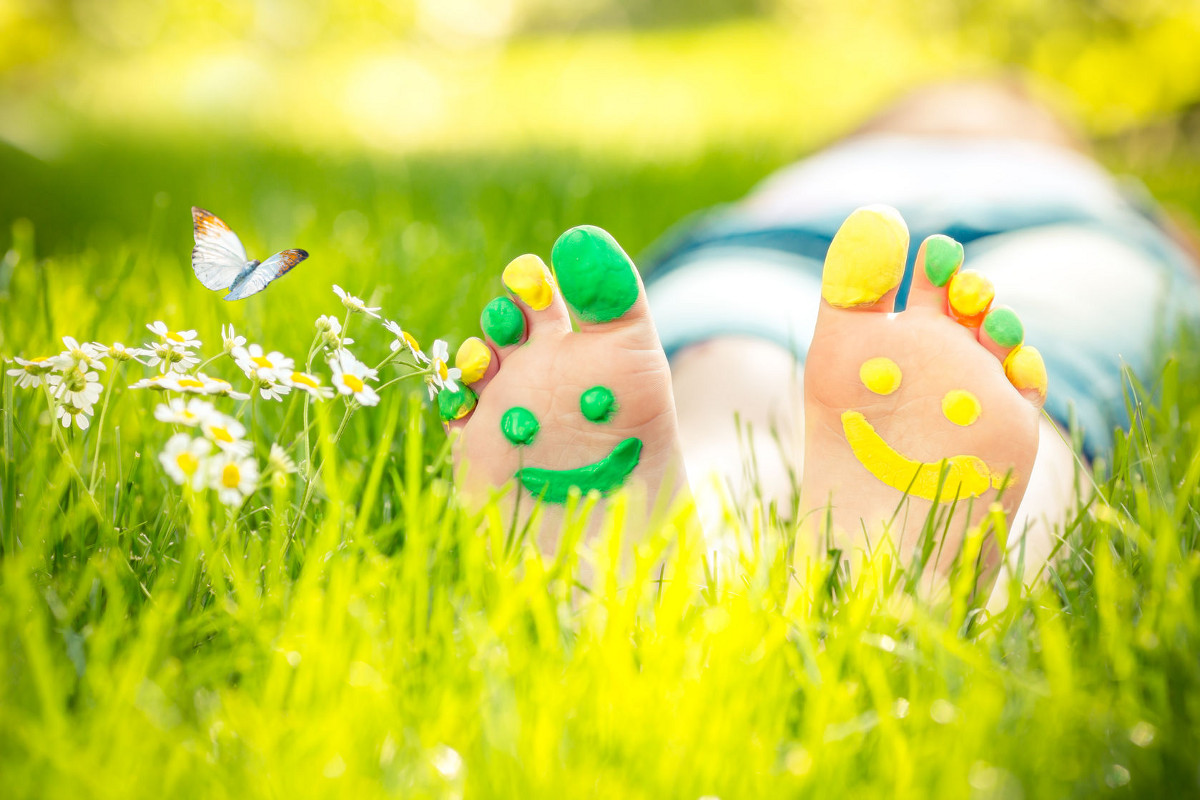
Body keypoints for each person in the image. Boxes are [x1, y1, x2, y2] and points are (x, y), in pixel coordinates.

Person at [438, 79, 1200, 594]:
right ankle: (917, 591)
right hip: (811, 231)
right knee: (1021, 381)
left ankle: (678, 575)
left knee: (735, 367)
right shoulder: (1072, 165)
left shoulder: (1088, 181)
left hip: (798, 235)